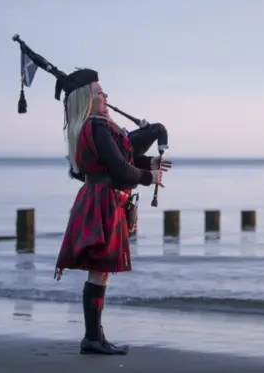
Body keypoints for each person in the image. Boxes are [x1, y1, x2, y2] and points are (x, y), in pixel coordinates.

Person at [53, 68, 172, 355]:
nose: (105, 96)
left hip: (100, 199)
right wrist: (149, 178)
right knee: (99, 270)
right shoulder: (95, 126)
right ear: (87, 100)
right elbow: (119, 170)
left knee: (100, 272)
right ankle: (93, 338)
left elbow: (115, 163)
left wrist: (148, 165)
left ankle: (95, 336)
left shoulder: (91, 127)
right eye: (98, 93)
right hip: (102, 202)